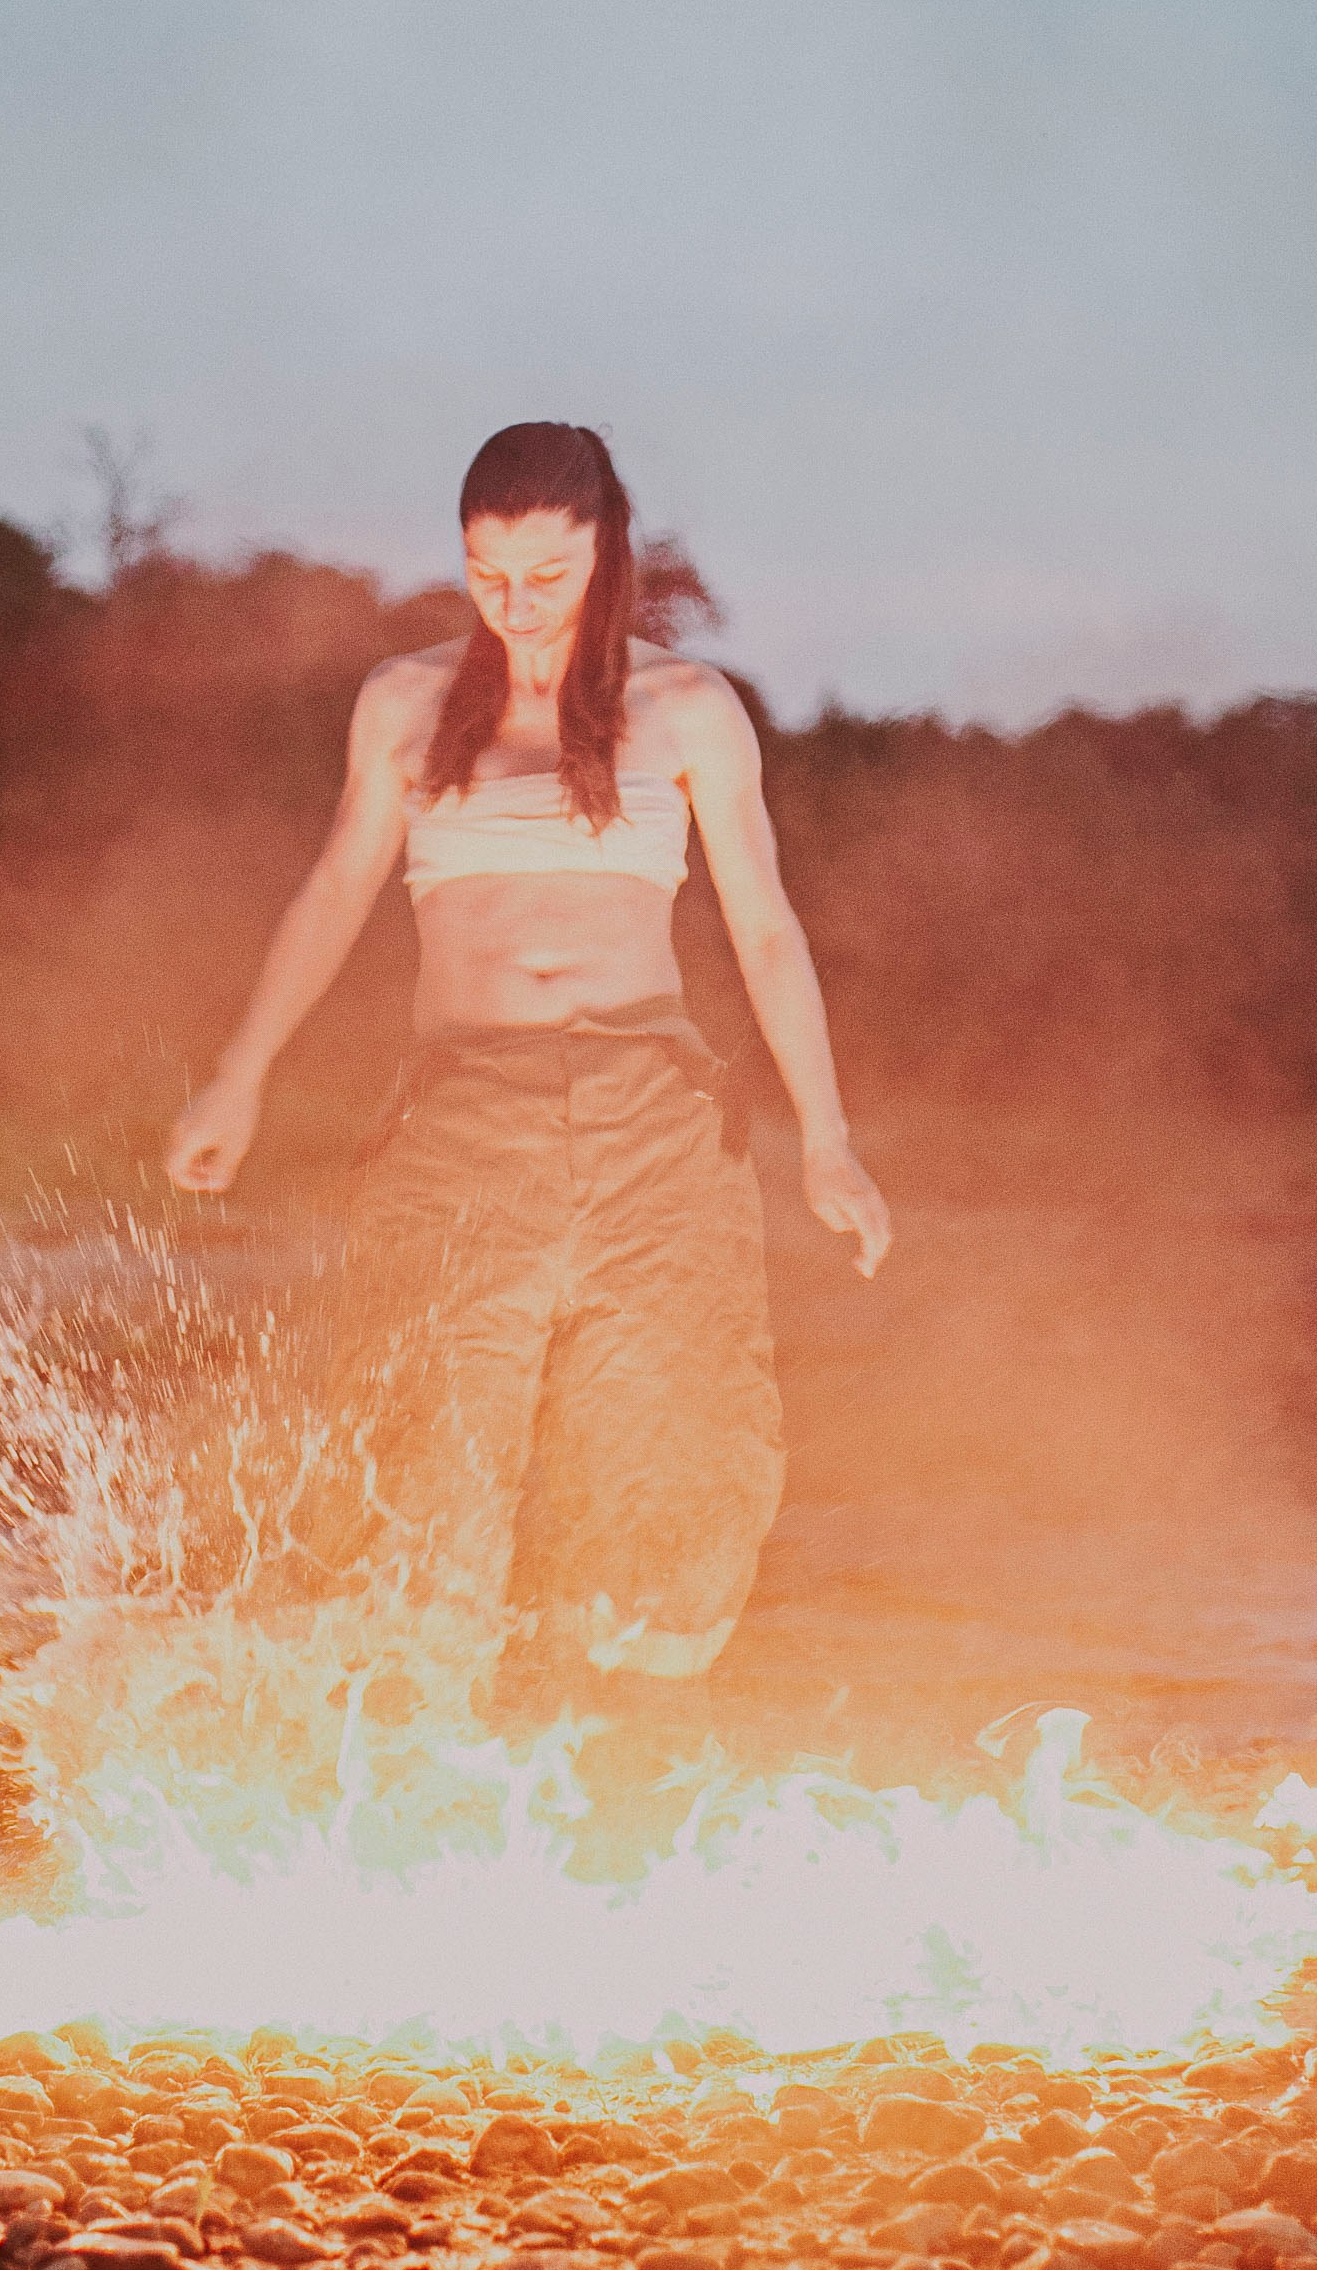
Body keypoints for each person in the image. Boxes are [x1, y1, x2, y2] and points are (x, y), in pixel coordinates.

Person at [166, 421, 889, 1688]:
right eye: (486, 573)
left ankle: (617, 1767)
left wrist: (827, 1140)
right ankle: (416, 1756)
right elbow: (335, 892)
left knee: (669, 1439)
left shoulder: (688, 709)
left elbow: (766, 929)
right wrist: (241, 1073)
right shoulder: (401, 703)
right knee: (422, 1441)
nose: (515, 605)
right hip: (463, 1111)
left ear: (606, 551)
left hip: (650, 1108)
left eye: (547, 576)